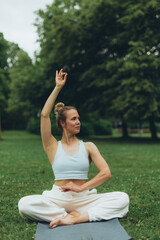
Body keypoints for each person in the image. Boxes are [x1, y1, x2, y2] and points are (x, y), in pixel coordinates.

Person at [18, 69, 129, 229]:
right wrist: (57, 87)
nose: (78, 122)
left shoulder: (88, 146)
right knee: (24, 204)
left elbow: (106, 173)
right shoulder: (52, 145)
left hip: (84, 197)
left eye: (78, 118)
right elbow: (44, 115)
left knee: (122, 198)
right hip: (57, 198)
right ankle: (69, 216)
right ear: (62, 123)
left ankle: (76, 218)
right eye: (73, 119)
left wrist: (81, 187)